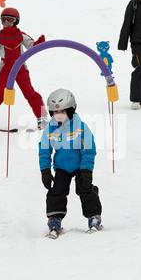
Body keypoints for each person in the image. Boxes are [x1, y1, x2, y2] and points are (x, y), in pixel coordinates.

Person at [39, 89, 103, 237]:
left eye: (62, 111)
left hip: (80, 166)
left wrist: (87, 170)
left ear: (70, 110)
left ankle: (94, 216)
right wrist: (45, 171)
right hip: (62, 167)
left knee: (84, 188)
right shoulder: (50, 129)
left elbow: (89, 149)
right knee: (57, 190)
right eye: (55, 112)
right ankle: (54, 218)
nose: (58, 115)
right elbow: (44, 151)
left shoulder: (81, 127)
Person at [0, 7, 48, 130]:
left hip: (20, 67)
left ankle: (42, 116)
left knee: (29, 92)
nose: (6, 23)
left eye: (9, 20)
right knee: (1, 92)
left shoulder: (21, 35)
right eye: (4, 20)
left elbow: (31, 46)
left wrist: (39, 43)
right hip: (5, 68)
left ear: (16, 21)